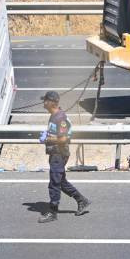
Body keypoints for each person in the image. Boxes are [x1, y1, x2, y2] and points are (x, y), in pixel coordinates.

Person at [38, 90, 90, 223]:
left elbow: (63, 139)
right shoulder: (53, 115)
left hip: (59, 154)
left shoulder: (60, 118)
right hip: (55, 153)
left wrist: (48, 138)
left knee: (54, 183)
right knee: (61, 182)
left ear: (51, 102)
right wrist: (48, 135)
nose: (43, 102)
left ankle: (52, 212)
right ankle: (82, 200)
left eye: (45, 100)